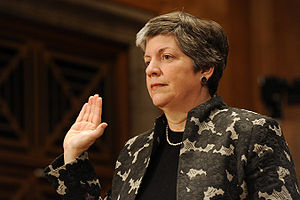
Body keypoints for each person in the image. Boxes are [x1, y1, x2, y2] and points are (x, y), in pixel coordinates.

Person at [44, 11, 300, 200]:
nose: (152, 70)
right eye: (147, 61)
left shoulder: (250, 131)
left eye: (166, 57)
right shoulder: (135, 150)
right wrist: (73, 155)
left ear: (206, 68)